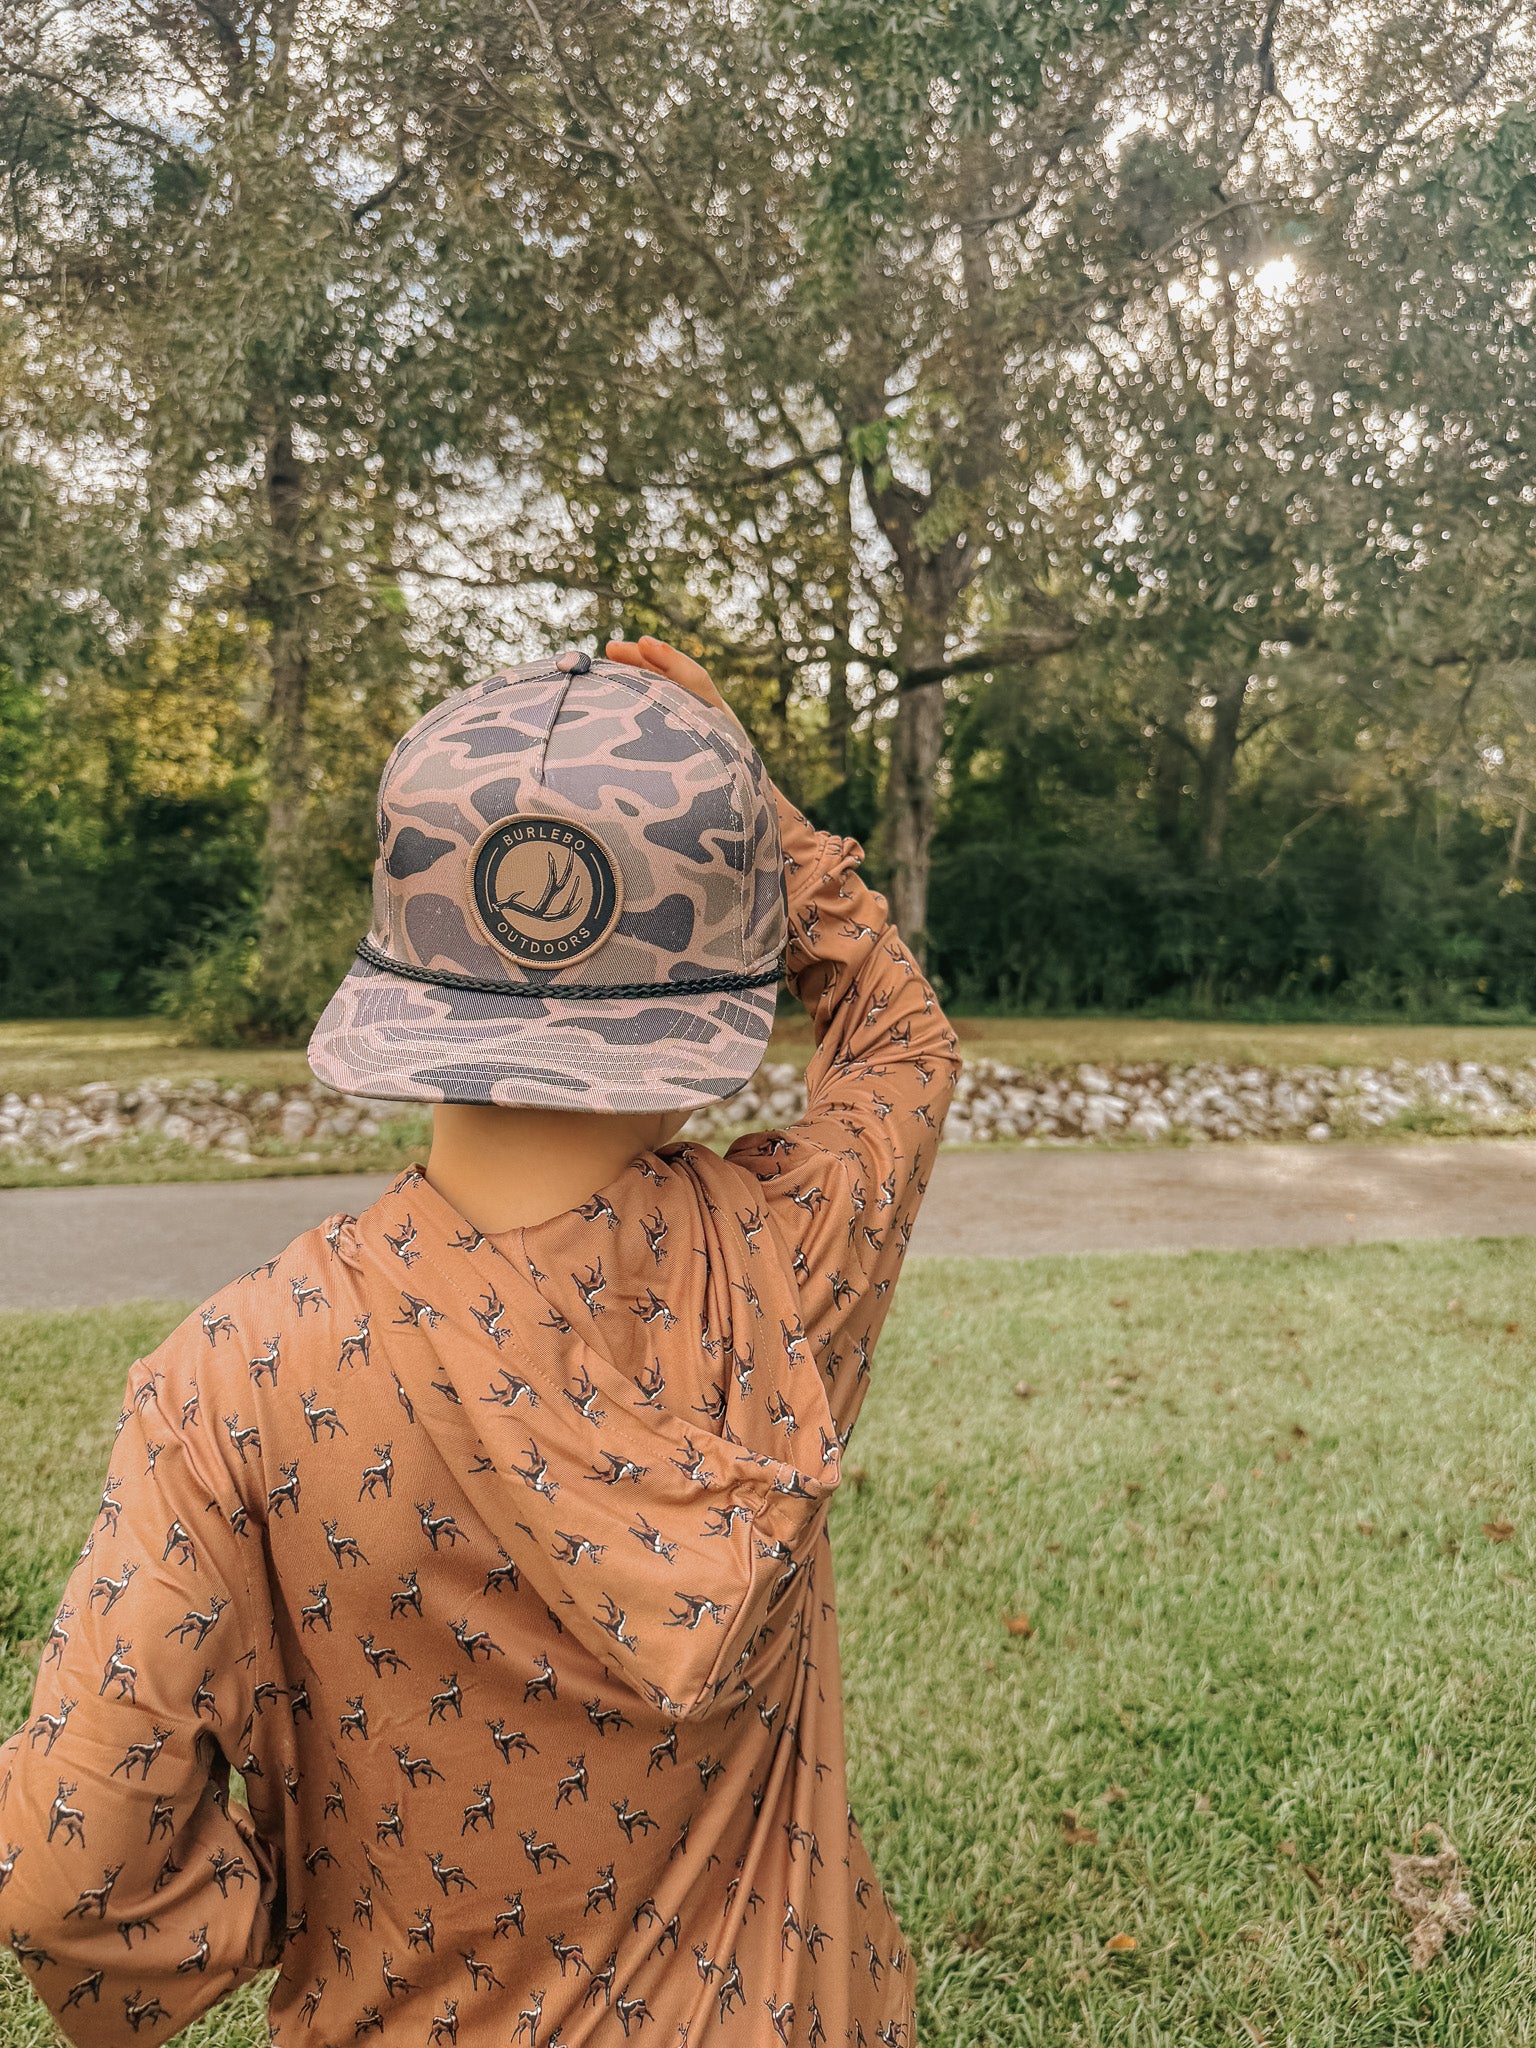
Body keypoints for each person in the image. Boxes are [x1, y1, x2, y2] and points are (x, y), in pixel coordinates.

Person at [0, 636, 959, 2047]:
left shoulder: (237, 1375)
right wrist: (754, 805)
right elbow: (901, 1047)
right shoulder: (786, 1262)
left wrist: (259, 1903)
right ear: (704, 991)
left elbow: (61, 1877)